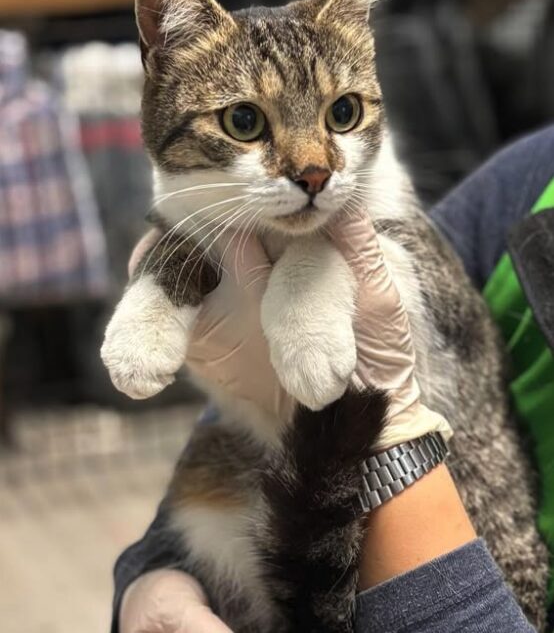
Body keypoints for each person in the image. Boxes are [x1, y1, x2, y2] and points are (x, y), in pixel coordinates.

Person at [113, 127, 554, 633]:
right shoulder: (537, 176)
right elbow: (272, 383)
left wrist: (388, 445)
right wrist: (153, 578)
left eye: (340, 113)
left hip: (472, 571)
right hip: (271, 561)